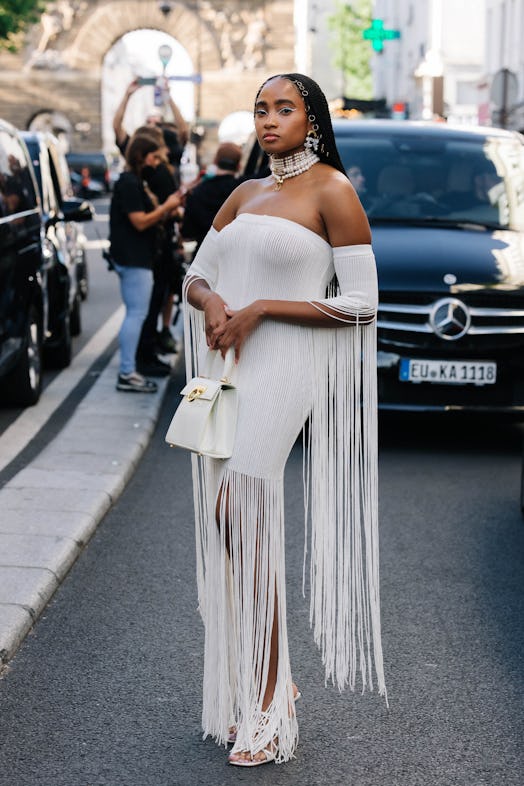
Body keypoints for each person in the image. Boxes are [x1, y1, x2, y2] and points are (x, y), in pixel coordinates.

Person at [181, 73, 386, 767]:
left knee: (245, 511)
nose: (269, 120)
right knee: (230, 524)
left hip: (286, 366)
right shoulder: (244, 193)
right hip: (226, 364)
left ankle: (268, 697)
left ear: (313, 119)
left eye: (284, 108)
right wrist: (212, 303)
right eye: (261, 109)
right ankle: (271, 678)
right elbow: (194, 274)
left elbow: (362, 302)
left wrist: (263, 305)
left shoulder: (333, 190)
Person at [109, 134, 183, 393]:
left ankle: (129, 370)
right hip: (134, 258)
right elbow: (139, 221)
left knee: (136, 313)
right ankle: (127, 372)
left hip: (137, 257)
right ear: (141, 156)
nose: (155, 163)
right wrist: (167, 207)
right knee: (136, 314)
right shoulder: (129, 183)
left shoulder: (133, 181)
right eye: (153, 157)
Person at [181, 142, 243, 255]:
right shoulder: (244, 189)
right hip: (234, 255)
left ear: (215, 161)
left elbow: (187, 232)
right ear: (239, 166)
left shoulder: (197, 191)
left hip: (203, 253)